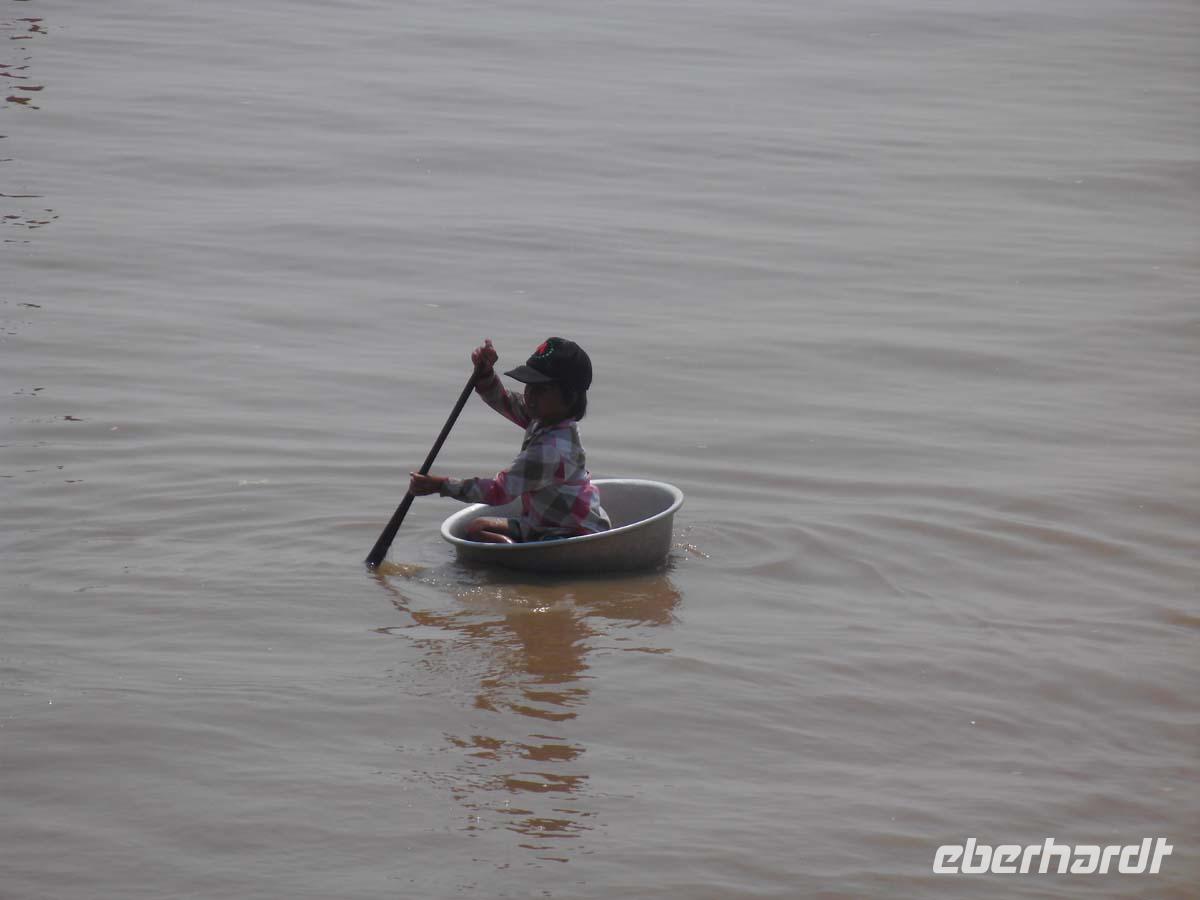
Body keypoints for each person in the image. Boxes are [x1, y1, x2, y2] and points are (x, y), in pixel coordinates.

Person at [408, 337, 612, 544]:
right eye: (529, 386)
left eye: (541, 389)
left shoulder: (552, 451)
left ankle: (516, 555)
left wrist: (441, 486)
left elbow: (499, 492)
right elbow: (502, 400)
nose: (530, 396)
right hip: (541, 525)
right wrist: (485, 373)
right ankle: (515, 552)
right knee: (476, 528)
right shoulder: (543, 419)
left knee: (541, 545)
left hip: (575, 534)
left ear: (570, 398)